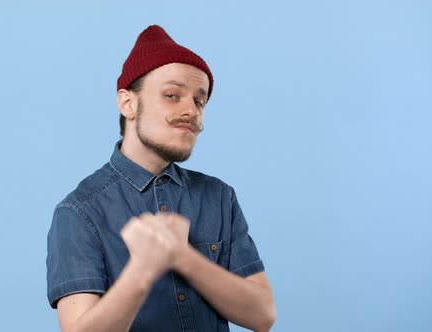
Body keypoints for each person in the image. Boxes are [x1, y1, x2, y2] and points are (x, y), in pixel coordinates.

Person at [46, 25, 276, 332]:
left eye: (200, 101)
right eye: (172, 95)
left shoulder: (219, 197)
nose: (191, 111)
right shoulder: (78, 212)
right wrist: (142, 269)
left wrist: (184, 258)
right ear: (128, 103)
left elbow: (262, 314)